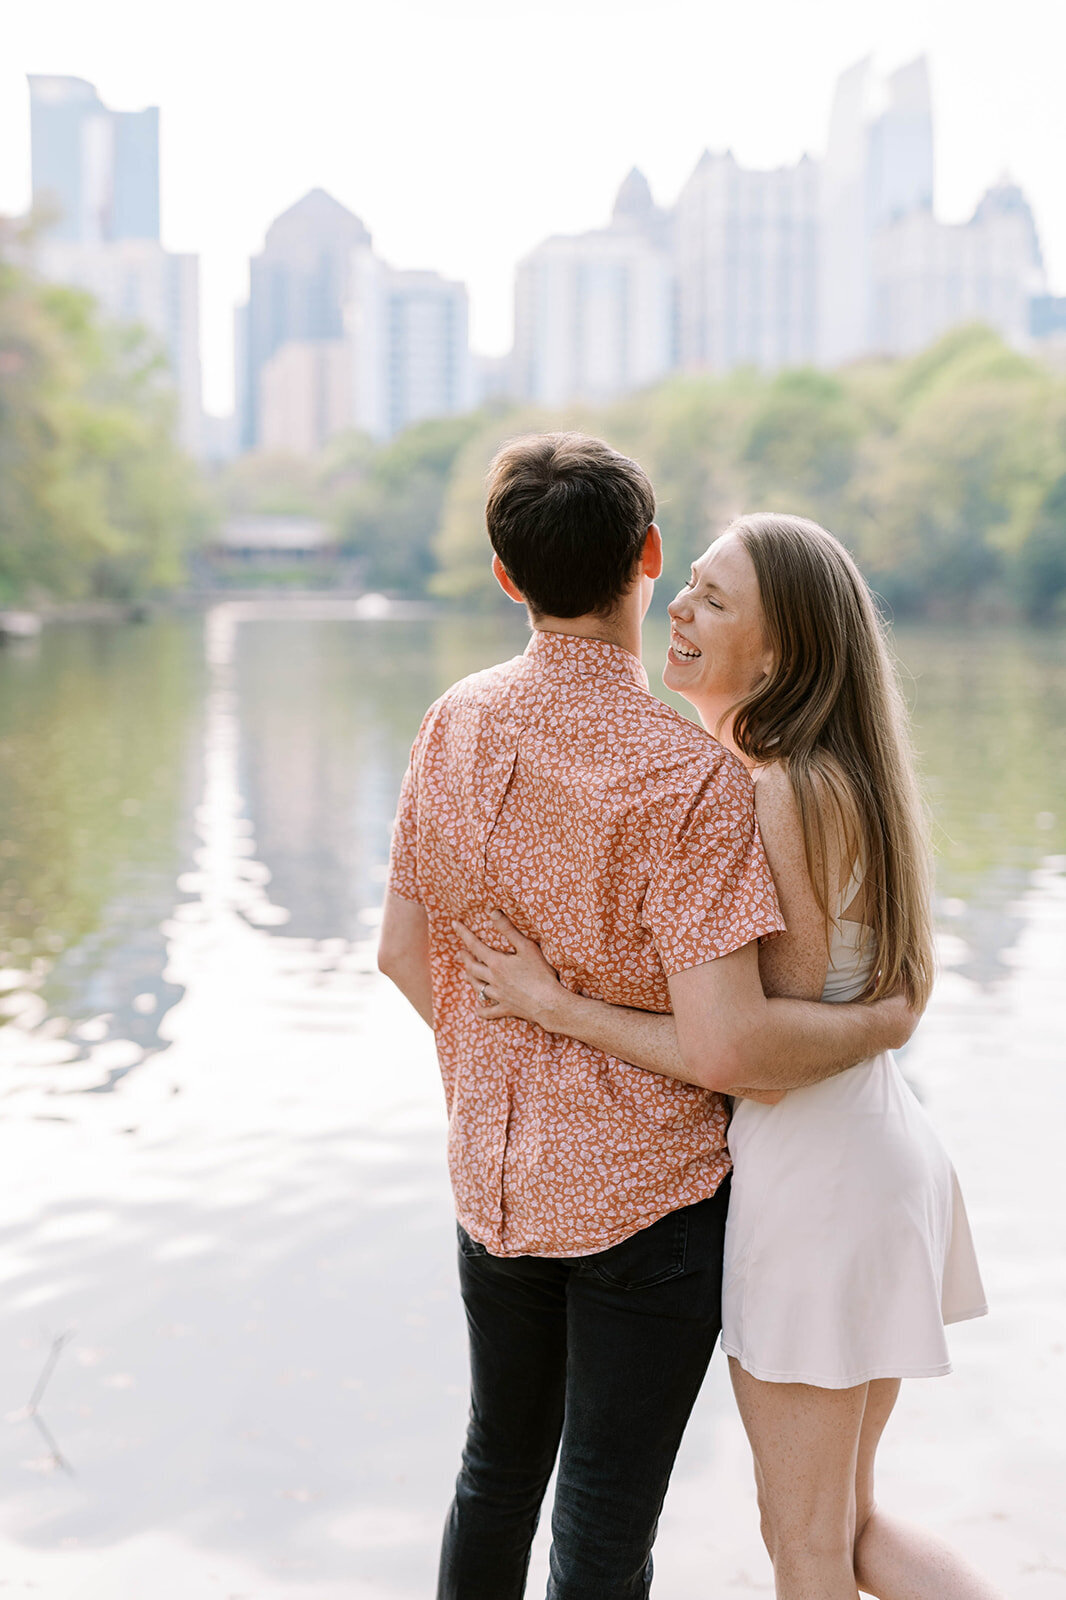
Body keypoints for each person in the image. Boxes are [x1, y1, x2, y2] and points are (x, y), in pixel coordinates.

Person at [378, 437, 918, 1600]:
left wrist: (500, 1069)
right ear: (648, 558)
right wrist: (886, 1019)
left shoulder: (450, 723)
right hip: (648, 1204)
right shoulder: (692, 778)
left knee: (492, 1474)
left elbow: (400, 952)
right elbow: (731, 1041)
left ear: (504, 575)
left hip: (495, 1186)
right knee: (603, 1526)